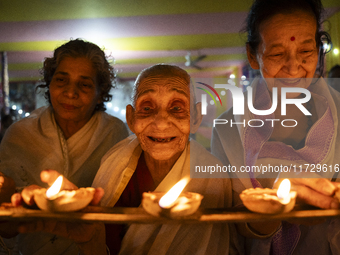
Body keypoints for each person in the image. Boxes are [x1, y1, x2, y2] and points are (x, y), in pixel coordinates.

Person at [211, 0, 340, 254]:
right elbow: (224, 224)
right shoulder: (228, 131)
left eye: (305, 52)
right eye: (277, 54)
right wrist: (271, 207)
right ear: (253, 56)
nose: (293, 68)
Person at [91, 64, 237, 254]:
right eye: (147, 107)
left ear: (195, 118)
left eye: (177, 107)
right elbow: (96, 240)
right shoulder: (113, 164)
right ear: (131, 118)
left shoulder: (212, 175)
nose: (160, 123)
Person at [0, 39, 128, 254]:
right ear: (49, 84)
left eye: (85, 84)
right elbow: (6, 225)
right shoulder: (19, 135)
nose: (71, 92)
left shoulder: (115, 134)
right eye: (61, 80)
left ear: (100, 92)